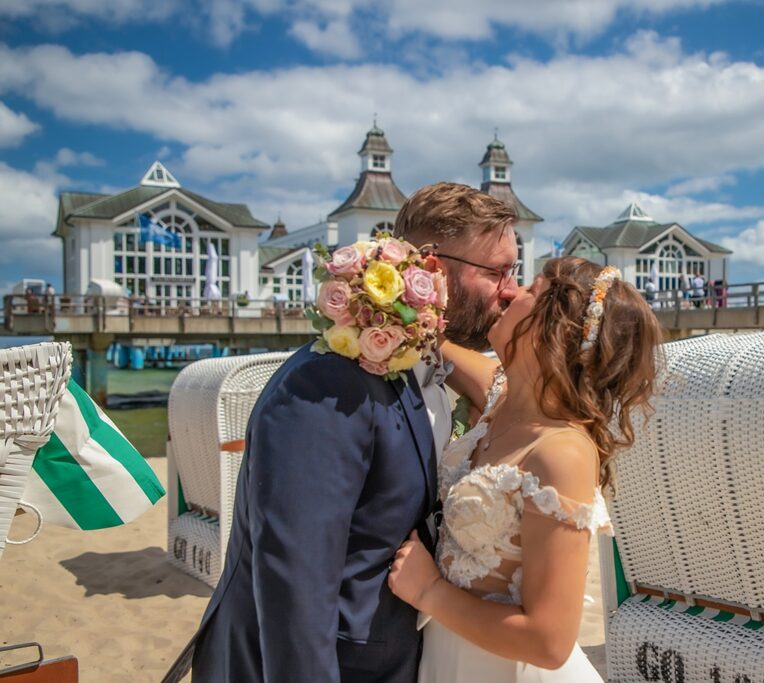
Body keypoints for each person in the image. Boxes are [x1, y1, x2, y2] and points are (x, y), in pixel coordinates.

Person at [166, 182, 521, 682]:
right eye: (498, 271)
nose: (511, 288)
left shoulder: (420, 357)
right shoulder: (327, 382)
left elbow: (508, 396)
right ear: (435, 269)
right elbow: (295, 581)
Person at [388, 256, 660, 682]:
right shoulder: (500, 393)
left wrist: (429, 591)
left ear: (553, 330)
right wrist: (378, 299)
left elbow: (548, 642)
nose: (510, 292)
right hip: (447, 659)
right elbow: (428, 341)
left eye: (529, 290)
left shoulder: (561, 452)